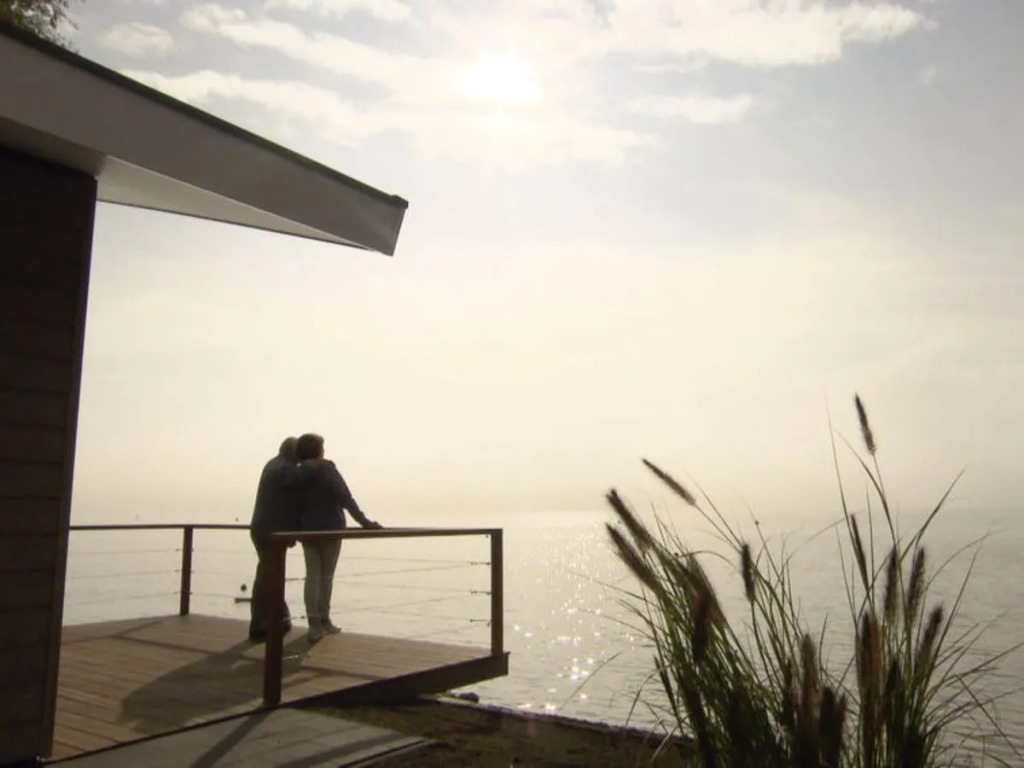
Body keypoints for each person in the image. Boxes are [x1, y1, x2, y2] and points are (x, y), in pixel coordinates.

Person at [294, 432, 382, 643]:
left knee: (312, 577)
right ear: (318, 450)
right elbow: (345, 497)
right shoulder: (327, 468)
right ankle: (324, 620)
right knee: (326, 577)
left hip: (307, 530)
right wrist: (365, 523)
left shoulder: (297, 472)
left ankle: (314, 625)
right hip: (330, 530)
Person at [248, 436, 301, 642]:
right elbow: (298, 487)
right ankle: (264, 623)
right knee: (269, 577)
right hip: (271, 532)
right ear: (293, 451)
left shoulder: (273, 465)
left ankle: (274, 618)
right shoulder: (284, 469)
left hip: (263, 528)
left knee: (267, 575)